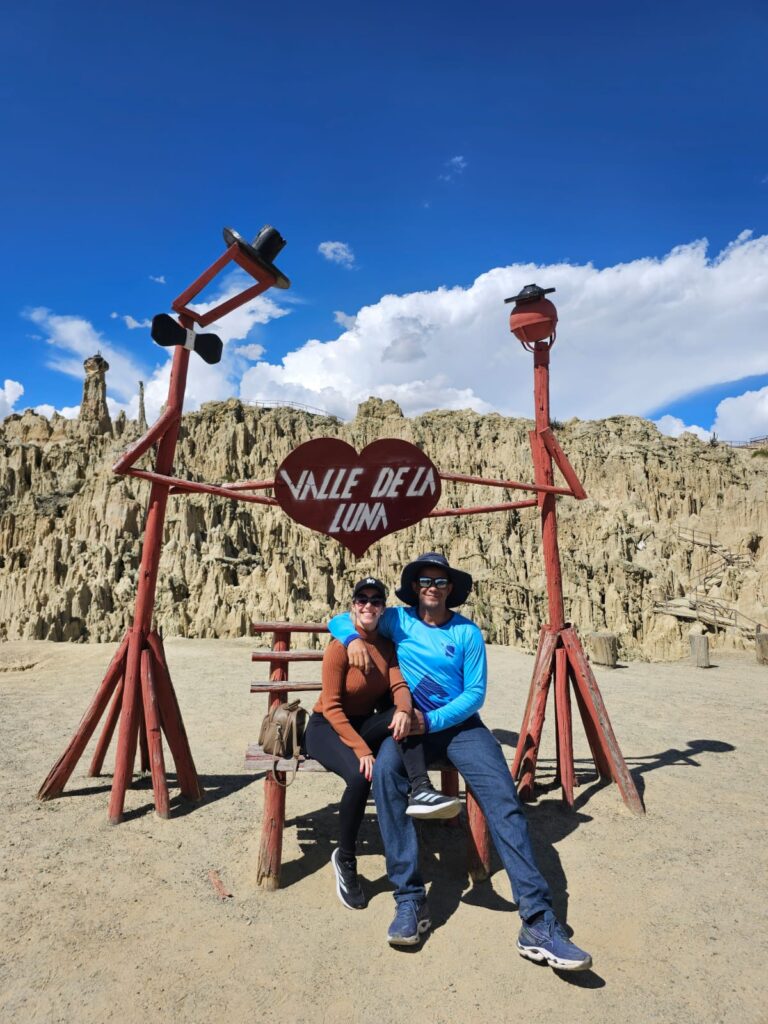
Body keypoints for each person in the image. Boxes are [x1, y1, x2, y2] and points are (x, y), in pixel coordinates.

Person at [328, 553, 593, 971]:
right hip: (409, 732)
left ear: (451, 588)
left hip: (459, 728)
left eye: (440, 581)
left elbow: (475, 694)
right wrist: (353, 639)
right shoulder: (398, 620)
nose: (432, 586)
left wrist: (430, 719)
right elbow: (343, 619)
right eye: (424, 580)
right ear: (414, 587)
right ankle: (410, 901)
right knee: (384, 775)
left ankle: (538, 921)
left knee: (503, 798)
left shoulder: (468, 633)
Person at [303, 576, 459, 911]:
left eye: (376, 601)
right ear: (353, 606)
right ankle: (345, 859)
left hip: (360, 725)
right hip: (325, 728)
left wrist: (404, 709)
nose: (368, 606)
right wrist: (361, 750)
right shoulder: (339, 647)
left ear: (382, 608)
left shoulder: (386, 647)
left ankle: (420, 787)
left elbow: (399, 686)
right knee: (361, 776)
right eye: (362, 599)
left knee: (403, 716)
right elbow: (330, 706)